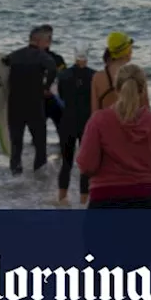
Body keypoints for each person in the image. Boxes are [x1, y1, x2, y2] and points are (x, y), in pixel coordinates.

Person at [77, 65, 151, 209]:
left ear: (117, 89)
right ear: (143, 91)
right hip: (148, 201)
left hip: (105, 200)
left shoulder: (98, 121)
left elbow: (87, 166)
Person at [3, 27, 59, 175]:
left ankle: (15, 176)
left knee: (16, 144)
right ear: (40, 40)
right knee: (40, 144)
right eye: (48, 40)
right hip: (34, 104)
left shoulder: (14, 55)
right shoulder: (42, 56)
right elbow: (52, 68)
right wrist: (46, 87)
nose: (48, 44)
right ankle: (39, 179)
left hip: (14, 105)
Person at [57, 45, 95, 204]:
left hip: (67, 121)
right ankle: (83, 200)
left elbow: (62, 96)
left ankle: (62, 198)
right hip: (86, 122)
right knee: (85, 164)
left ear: (74, 57)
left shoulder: (64, 75)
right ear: (87, 57)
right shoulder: (94, 76)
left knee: (66, 162)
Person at [93, 32, 148, 113]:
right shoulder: (138, 75)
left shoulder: (98, 78)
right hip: (133, 125)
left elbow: (94, 114)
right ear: (127, 51)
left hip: (106, 125)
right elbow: (146, 113)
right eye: (130, 48)